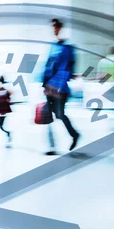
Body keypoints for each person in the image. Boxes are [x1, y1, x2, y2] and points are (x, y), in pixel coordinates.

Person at [43, 19, 80, 155]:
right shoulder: (53, 47)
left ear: (60, 28)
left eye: (56, 26)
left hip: (59, 88)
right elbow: (48, 66)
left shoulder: (67, 48)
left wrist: (56, 86)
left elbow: (66, 69)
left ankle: (74, 134)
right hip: (49, 88)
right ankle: (51, 146)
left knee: (59, 114)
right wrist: (45, 84)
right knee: (48, 115)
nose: (54, 29)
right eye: (53, 26)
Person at [0, 76, 12, 142]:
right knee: (1, 125)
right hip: (3, 109)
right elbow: (8, 99)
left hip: (2, 109)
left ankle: (8, 133)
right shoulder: (2, 90)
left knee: (1, 125)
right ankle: (8, 133)